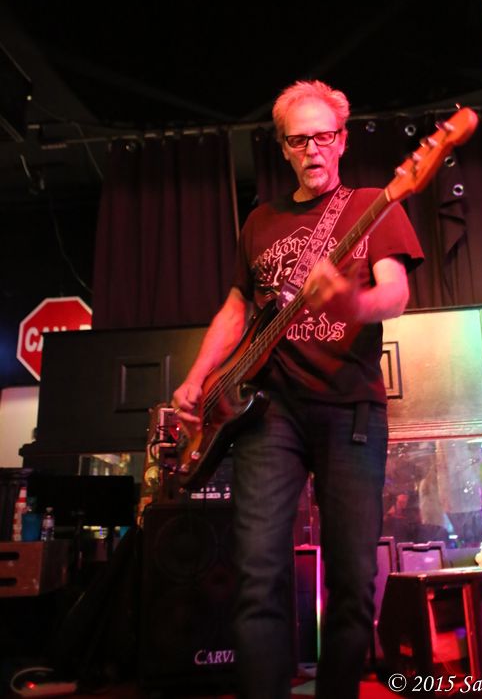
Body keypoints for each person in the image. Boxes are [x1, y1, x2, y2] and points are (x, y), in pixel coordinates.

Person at [173, 80, 423, 699]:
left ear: (342, 140)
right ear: (283, 148)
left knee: (353, 579)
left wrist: (350, 302)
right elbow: (237, 307)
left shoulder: (374, 204)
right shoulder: (260, 221)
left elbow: (396, 293)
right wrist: (197, 376)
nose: (313, 149)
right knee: (257, 574)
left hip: (349, 405)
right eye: (299, 139)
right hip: (268, 410)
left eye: (324, 136)